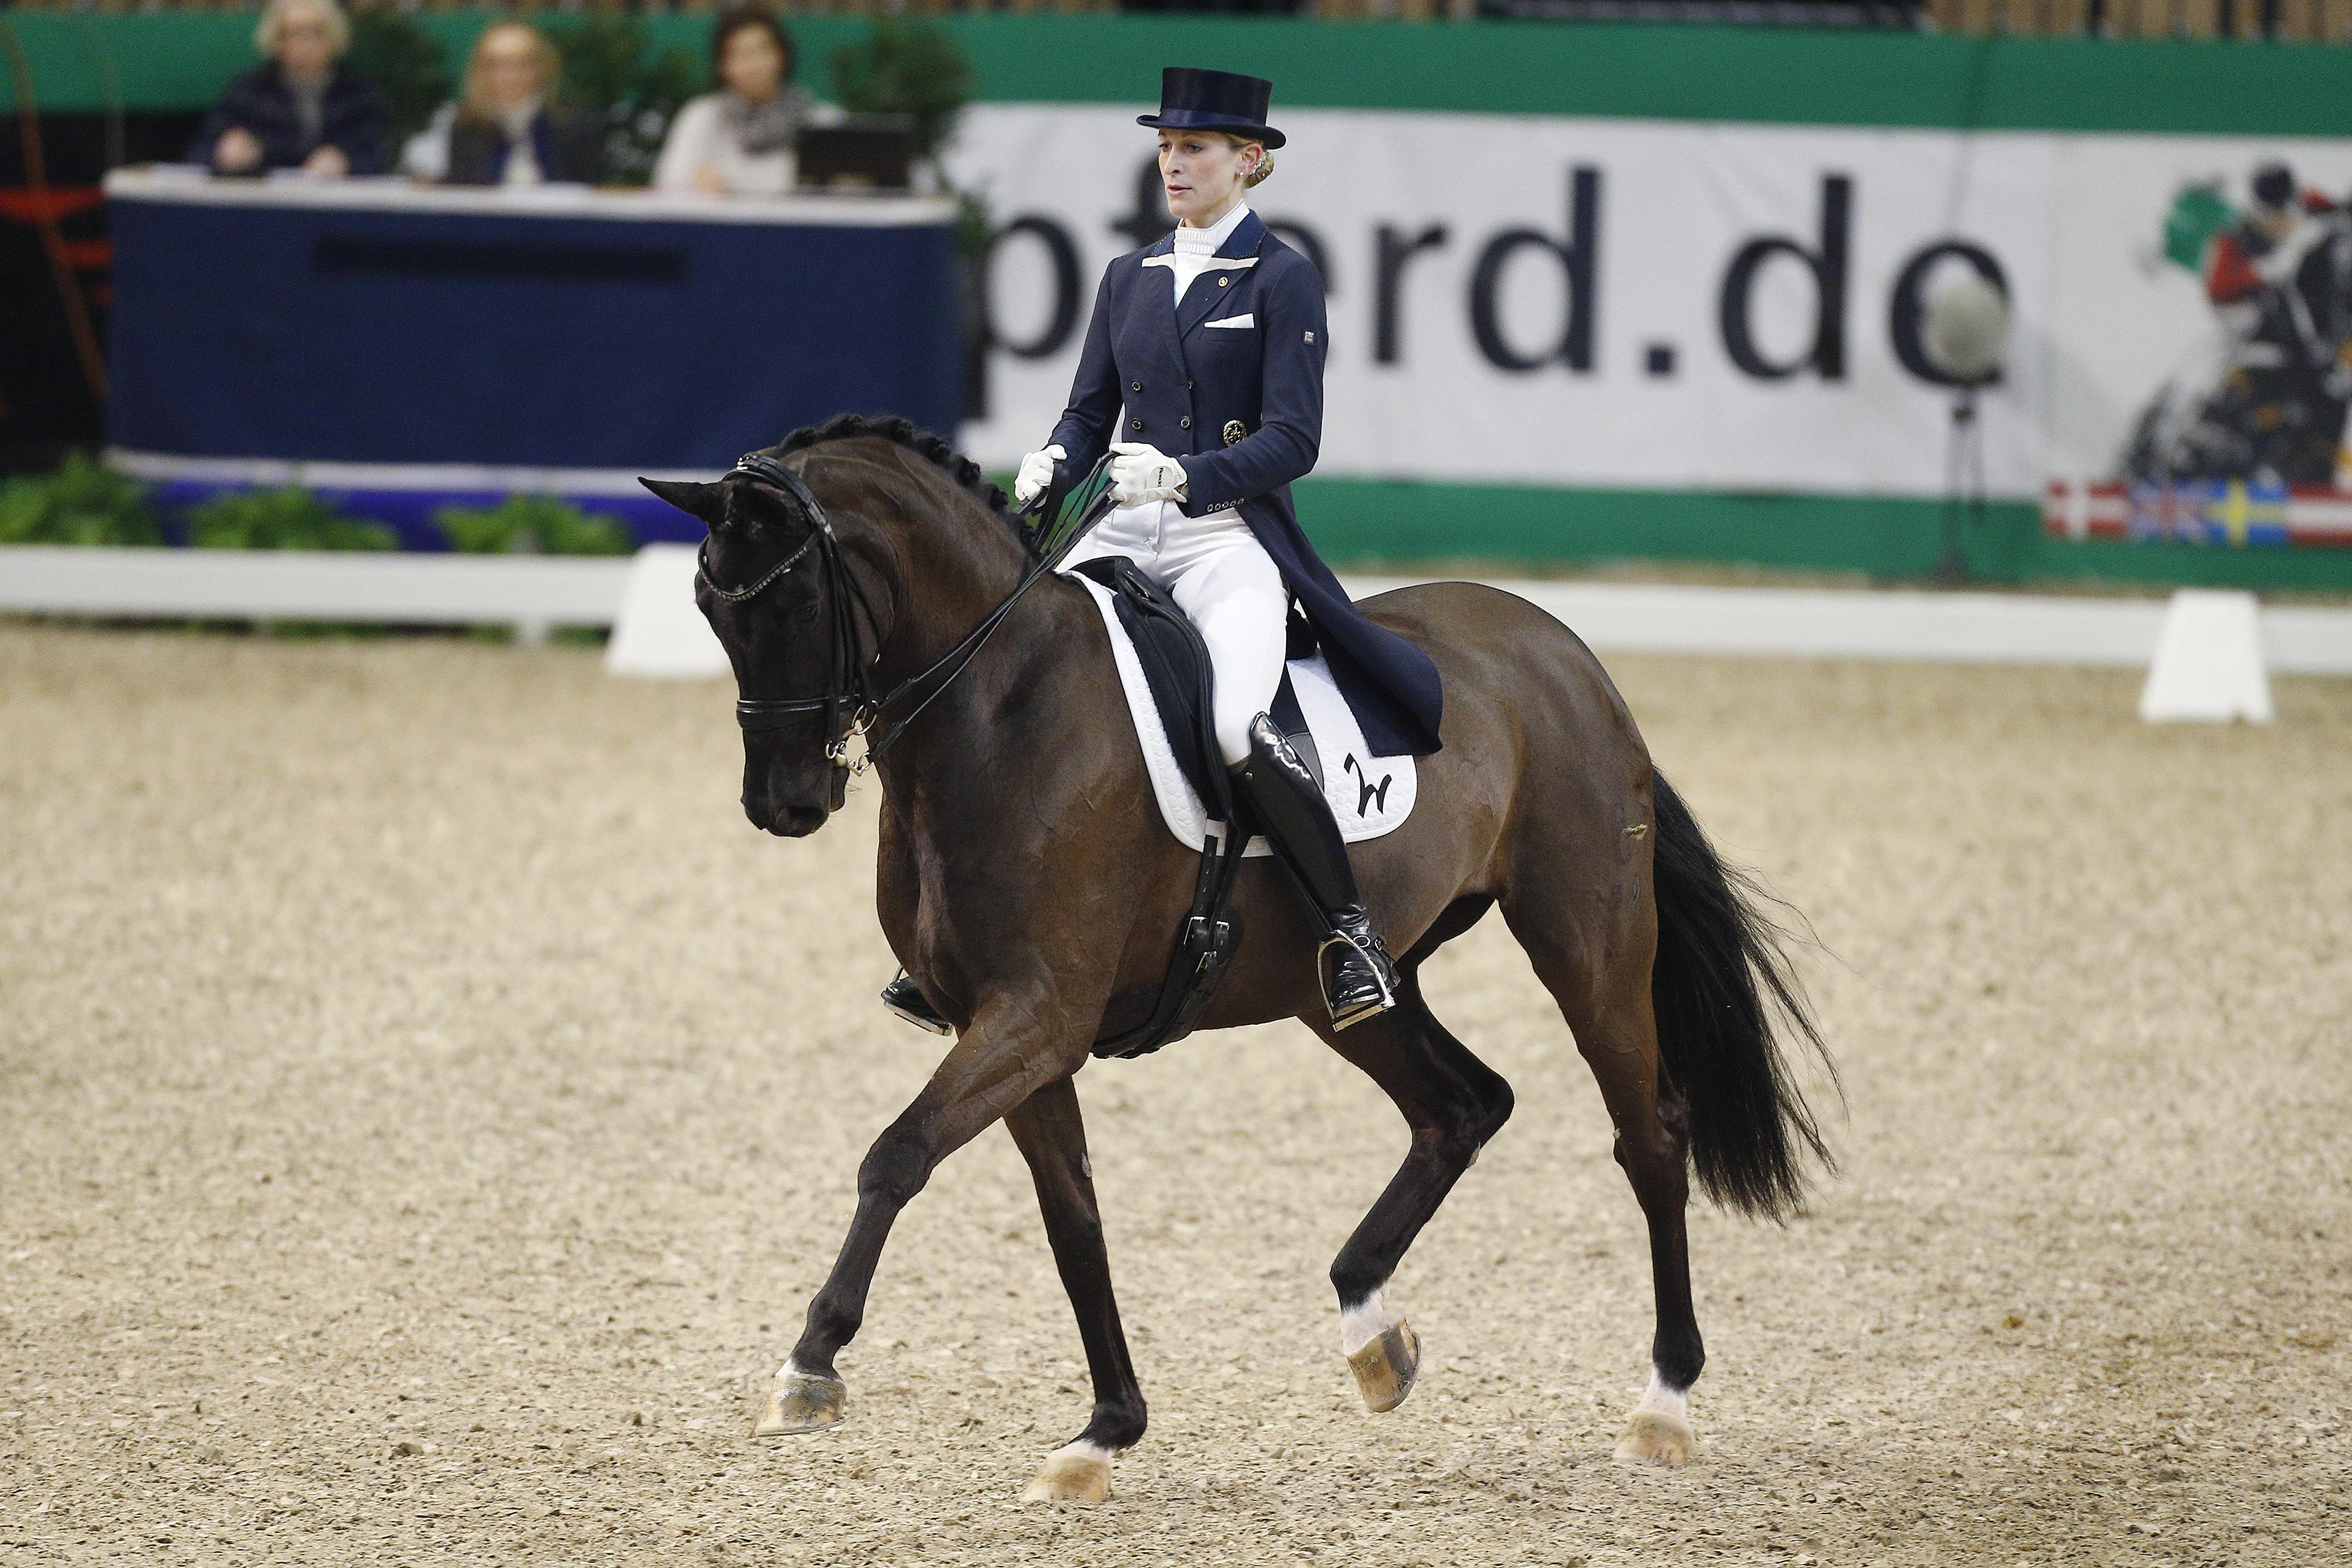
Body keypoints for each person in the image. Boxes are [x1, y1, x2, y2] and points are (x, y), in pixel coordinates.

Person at [880, 68, 1445, 1038]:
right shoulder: (1128, 276)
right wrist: (1055, 456)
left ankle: (1347, 929)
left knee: (1234, 723)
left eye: (1195, 150)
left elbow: (1292, 438)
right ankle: (959, 933)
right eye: (1166, 148)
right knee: (999, 671)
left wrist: (1184, 475)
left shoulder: (1281, 276)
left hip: (1224, 539)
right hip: (1114, 527)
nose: (1174, 165)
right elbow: (1089, 405)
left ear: (1248, 161)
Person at [653, 6, 838, 198]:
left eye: (762, 50)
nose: (754, 65)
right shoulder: (701, 117)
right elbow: (669, 187)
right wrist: (698, 189)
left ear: (782, 56)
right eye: (740, 54)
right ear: (723, 66)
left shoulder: (821, 121)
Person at [192, 0, 384, 179]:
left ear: (334, 37)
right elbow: (200, 153)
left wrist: (346, 163)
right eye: (295, 33)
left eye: (316, 32)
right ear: (276, 41)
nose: (306, 44)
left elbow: (380, 155)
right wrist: (225, 154)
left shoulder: (358, 93)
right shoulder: (249, 91)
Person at [400, 21, 604, 188]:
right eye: (493, 65)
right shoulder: (467, 128)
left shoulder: (574, 126)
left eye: (518, 64)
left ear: (541, 69)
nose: (506, 76)